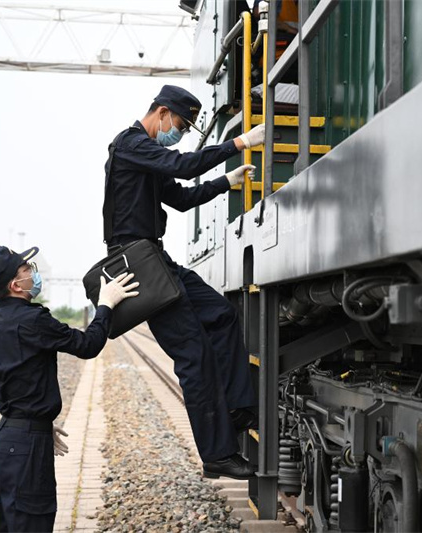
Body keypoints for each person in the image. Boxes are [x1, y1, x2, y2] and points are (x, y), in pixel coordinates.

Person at [103, 84, 265, 480]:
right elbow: (182, 166)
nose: (181, 132)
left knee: (221, 314)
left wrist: (227, 183)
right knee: (194, 354)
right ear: (161, 113)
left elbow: (179, 197)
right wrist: (239, 143)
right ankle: (217, 454)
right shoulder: (130, 145)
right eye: (180, 124)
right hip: (137, 262)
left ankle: (235, 406)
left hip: (155, 257)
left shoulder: (145, 156)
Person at [0, 245, 139, 532]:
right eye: (28, 271)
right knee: (32, 524)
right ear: (16, 285)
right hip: (25, 447)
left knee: (10, 525)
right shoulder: (33, 320)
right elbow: (88, 345)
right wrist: (106, 305)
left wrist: (27, 419)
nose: (34, 274)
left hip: (2, 442)